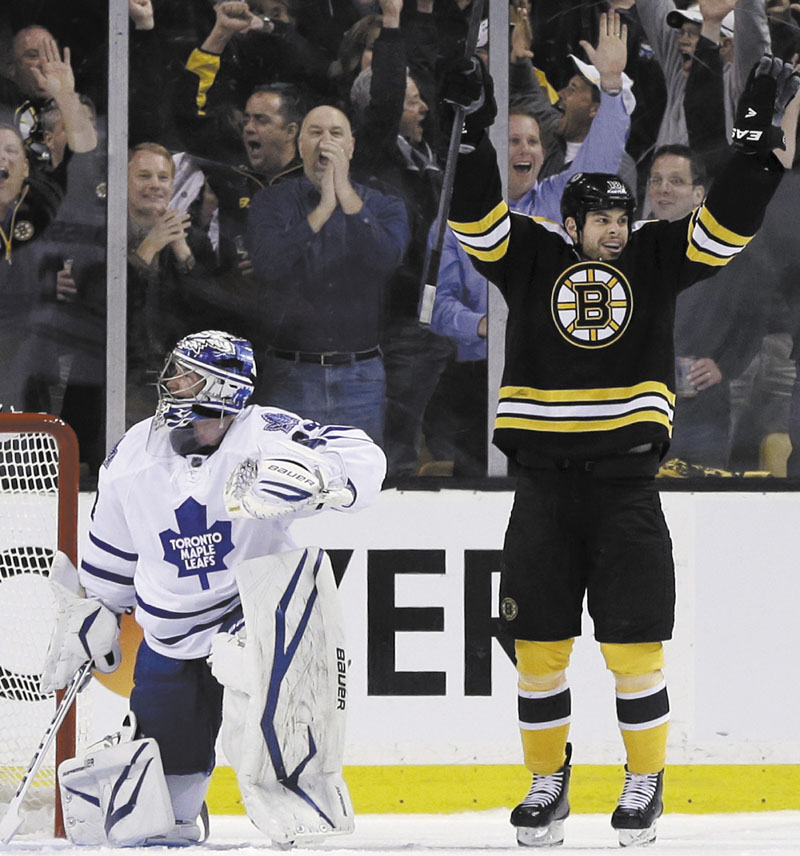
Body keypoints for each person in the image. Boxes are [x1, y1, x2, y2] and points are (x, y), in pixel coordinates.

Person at [444, 43, 797, 846]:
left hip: (626, 489)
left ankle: (644, 782)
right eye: (599, 216)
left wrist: (750, 147)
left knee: (634, 654)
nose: (613, 227)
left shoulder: (653, 256)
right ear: (568, 223)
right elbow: (472, 217)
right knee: (538, 652)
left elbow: (730, 223)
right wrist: (467, 130)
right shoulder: (530, 257)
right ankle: (546, 783)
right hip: (541, 489)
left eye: (620, 214)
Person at [42, 329, 387, 845]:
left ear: (223, 389)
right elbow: (111, 563)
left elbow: (365, 456)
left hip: (248, 615)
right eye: (175, 371)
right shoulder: (133, 455)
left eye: (187, 375)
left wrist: (320, 472)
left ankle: (300, 789)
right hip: (167, 634)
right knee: (165, 816)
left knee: (250, 663)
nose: (171, 383)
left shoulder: (265, 434)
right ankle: (185, 808)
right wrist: (94, 613)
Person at [246, 103, 410, 444]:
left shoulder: (383, 205)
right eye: (316, 132)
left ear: (351, 146)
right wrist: (321, 211)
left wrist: (345, 197)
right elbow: (268, 265)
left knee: (357, 486)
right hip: (290, 375)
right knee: (282, 485)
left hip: (360, 377)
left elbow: (387, 259)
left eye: (336, 134)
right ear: (300, 144)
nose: (326, 141)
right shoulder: (271, 202)